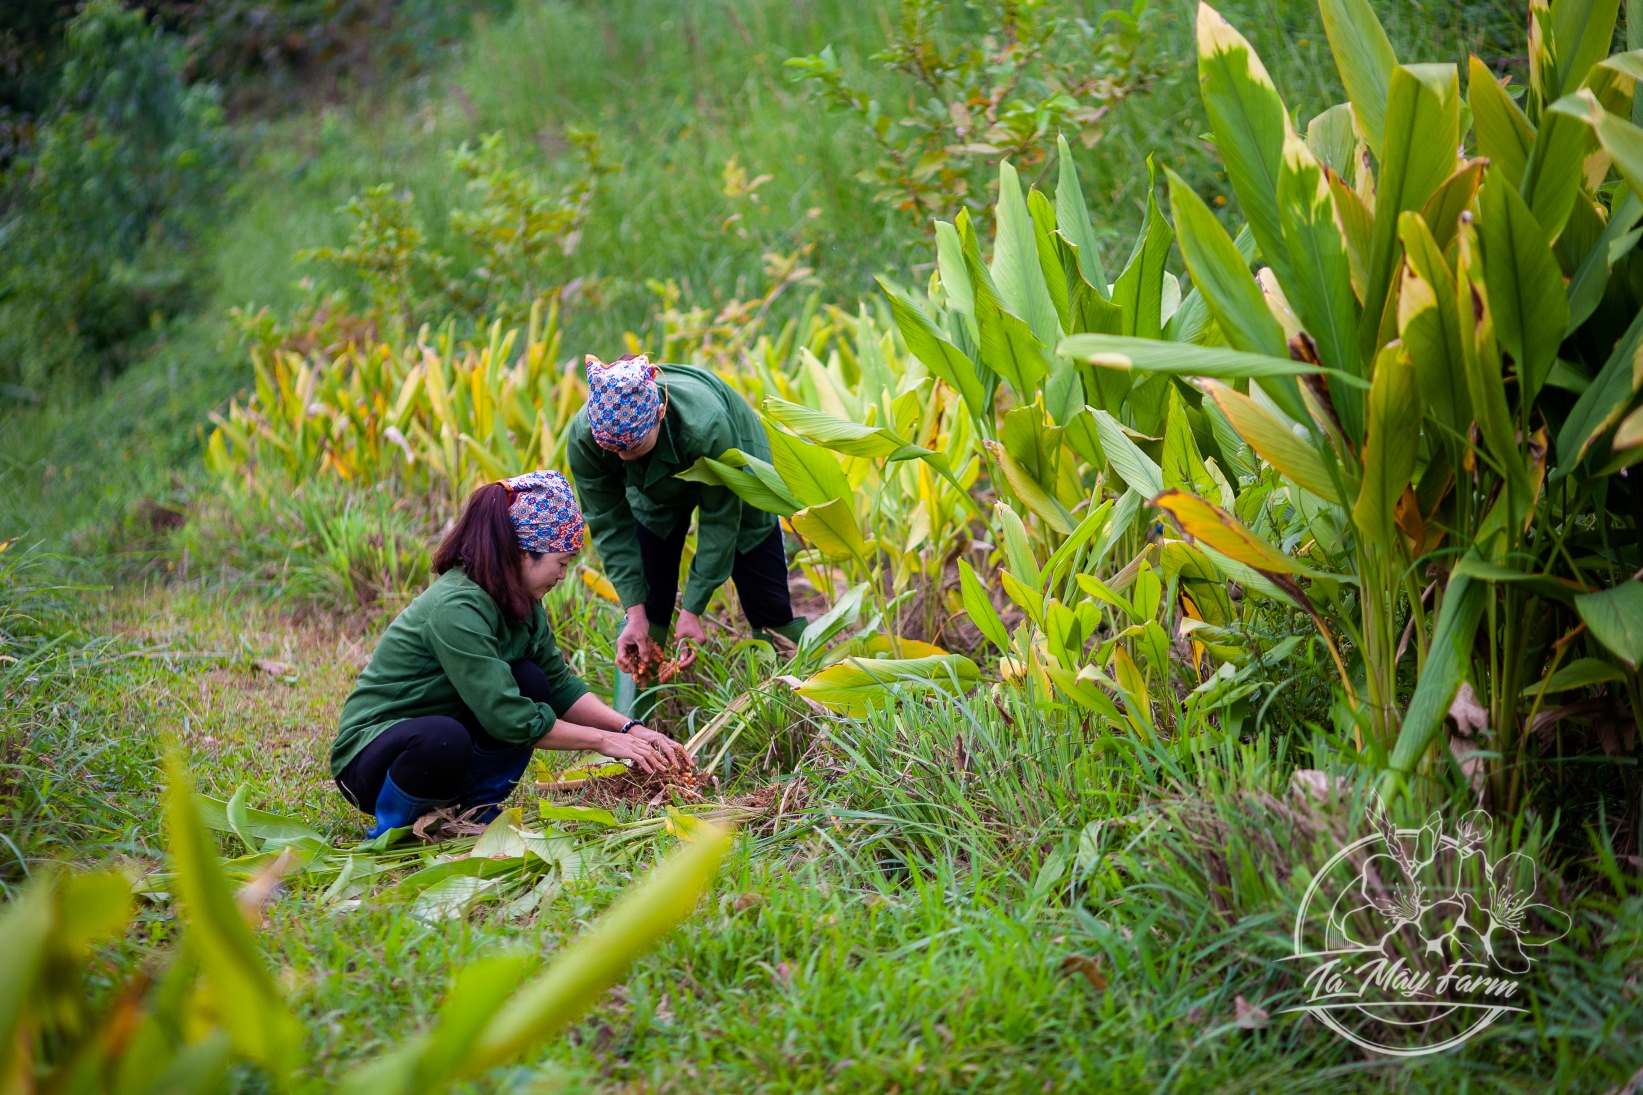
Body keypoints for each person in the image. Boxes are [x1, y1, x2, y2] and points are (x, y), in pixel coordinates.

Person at [330, 470, 690, 838]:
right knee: (443, 738)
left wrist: (630, 729)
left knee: (531, 680)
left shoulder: (523, 605)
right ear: (523, 553)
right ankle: (396, 829)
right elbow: (510, 719)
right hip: (372, 755)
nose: (563, 576)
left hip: (437, 736)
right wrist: (602, 741)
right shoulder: (457, 608)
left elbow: (559, 685)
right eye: (562, 562)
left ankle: (476, 809)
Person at [569, 353, 806, 682]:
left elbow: (720, 519)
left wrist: (693, 609)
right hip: (651, 486)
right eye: (613, 449)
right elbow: (608, 523)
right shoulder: (588, 438)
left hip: (734, 462)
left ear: (659, 413)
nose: (622, 456)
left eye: (633, 445)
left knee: (765, 593)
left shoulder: (707, 425)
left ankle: (790, 689)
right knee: (649, 599)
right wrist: (633, 611)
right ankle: (637, 712)